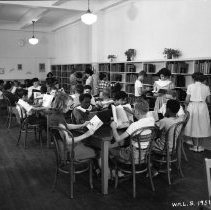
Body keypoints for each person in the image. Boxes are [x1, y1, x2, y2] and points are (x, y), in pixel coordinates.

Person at [49, 92, 96, 161]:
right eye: (68, 106)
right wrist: (86, 134)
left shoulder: (56, 115)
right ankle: (96, 169)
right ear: (61, 105)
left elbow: (66, 125)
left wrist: (82, 125)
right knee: (94, 150)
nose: (70, 109)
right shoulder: (59, 118)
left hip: (63, 146)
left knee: (86, 143)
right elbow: (68, 141)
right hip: (68, 150)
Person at [109, 99, 155, 164]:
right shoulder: (151, 119)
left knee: (110, 150)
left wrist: (113, 128)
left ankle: (118, 171)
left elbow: (117, 139)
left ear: (137, 112)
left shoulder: (134, 125)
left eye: (133, 109)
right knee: (125, 147)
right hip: (145, 153)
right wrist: (131, 111)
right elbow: (141, 114)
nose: (133, 110)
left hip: (133, 155)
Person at [184, 72, 211, 152]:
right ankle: (200, 146)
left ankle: (195, 146)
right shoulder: (206, 87)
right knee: (202, 125)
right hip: (203, 106)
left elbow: (187, 100)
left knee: (193, 125)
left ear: (193, 79)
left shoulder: (190, 86)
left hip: (192, 106)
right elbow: (209, 101)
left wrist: (185, 106)